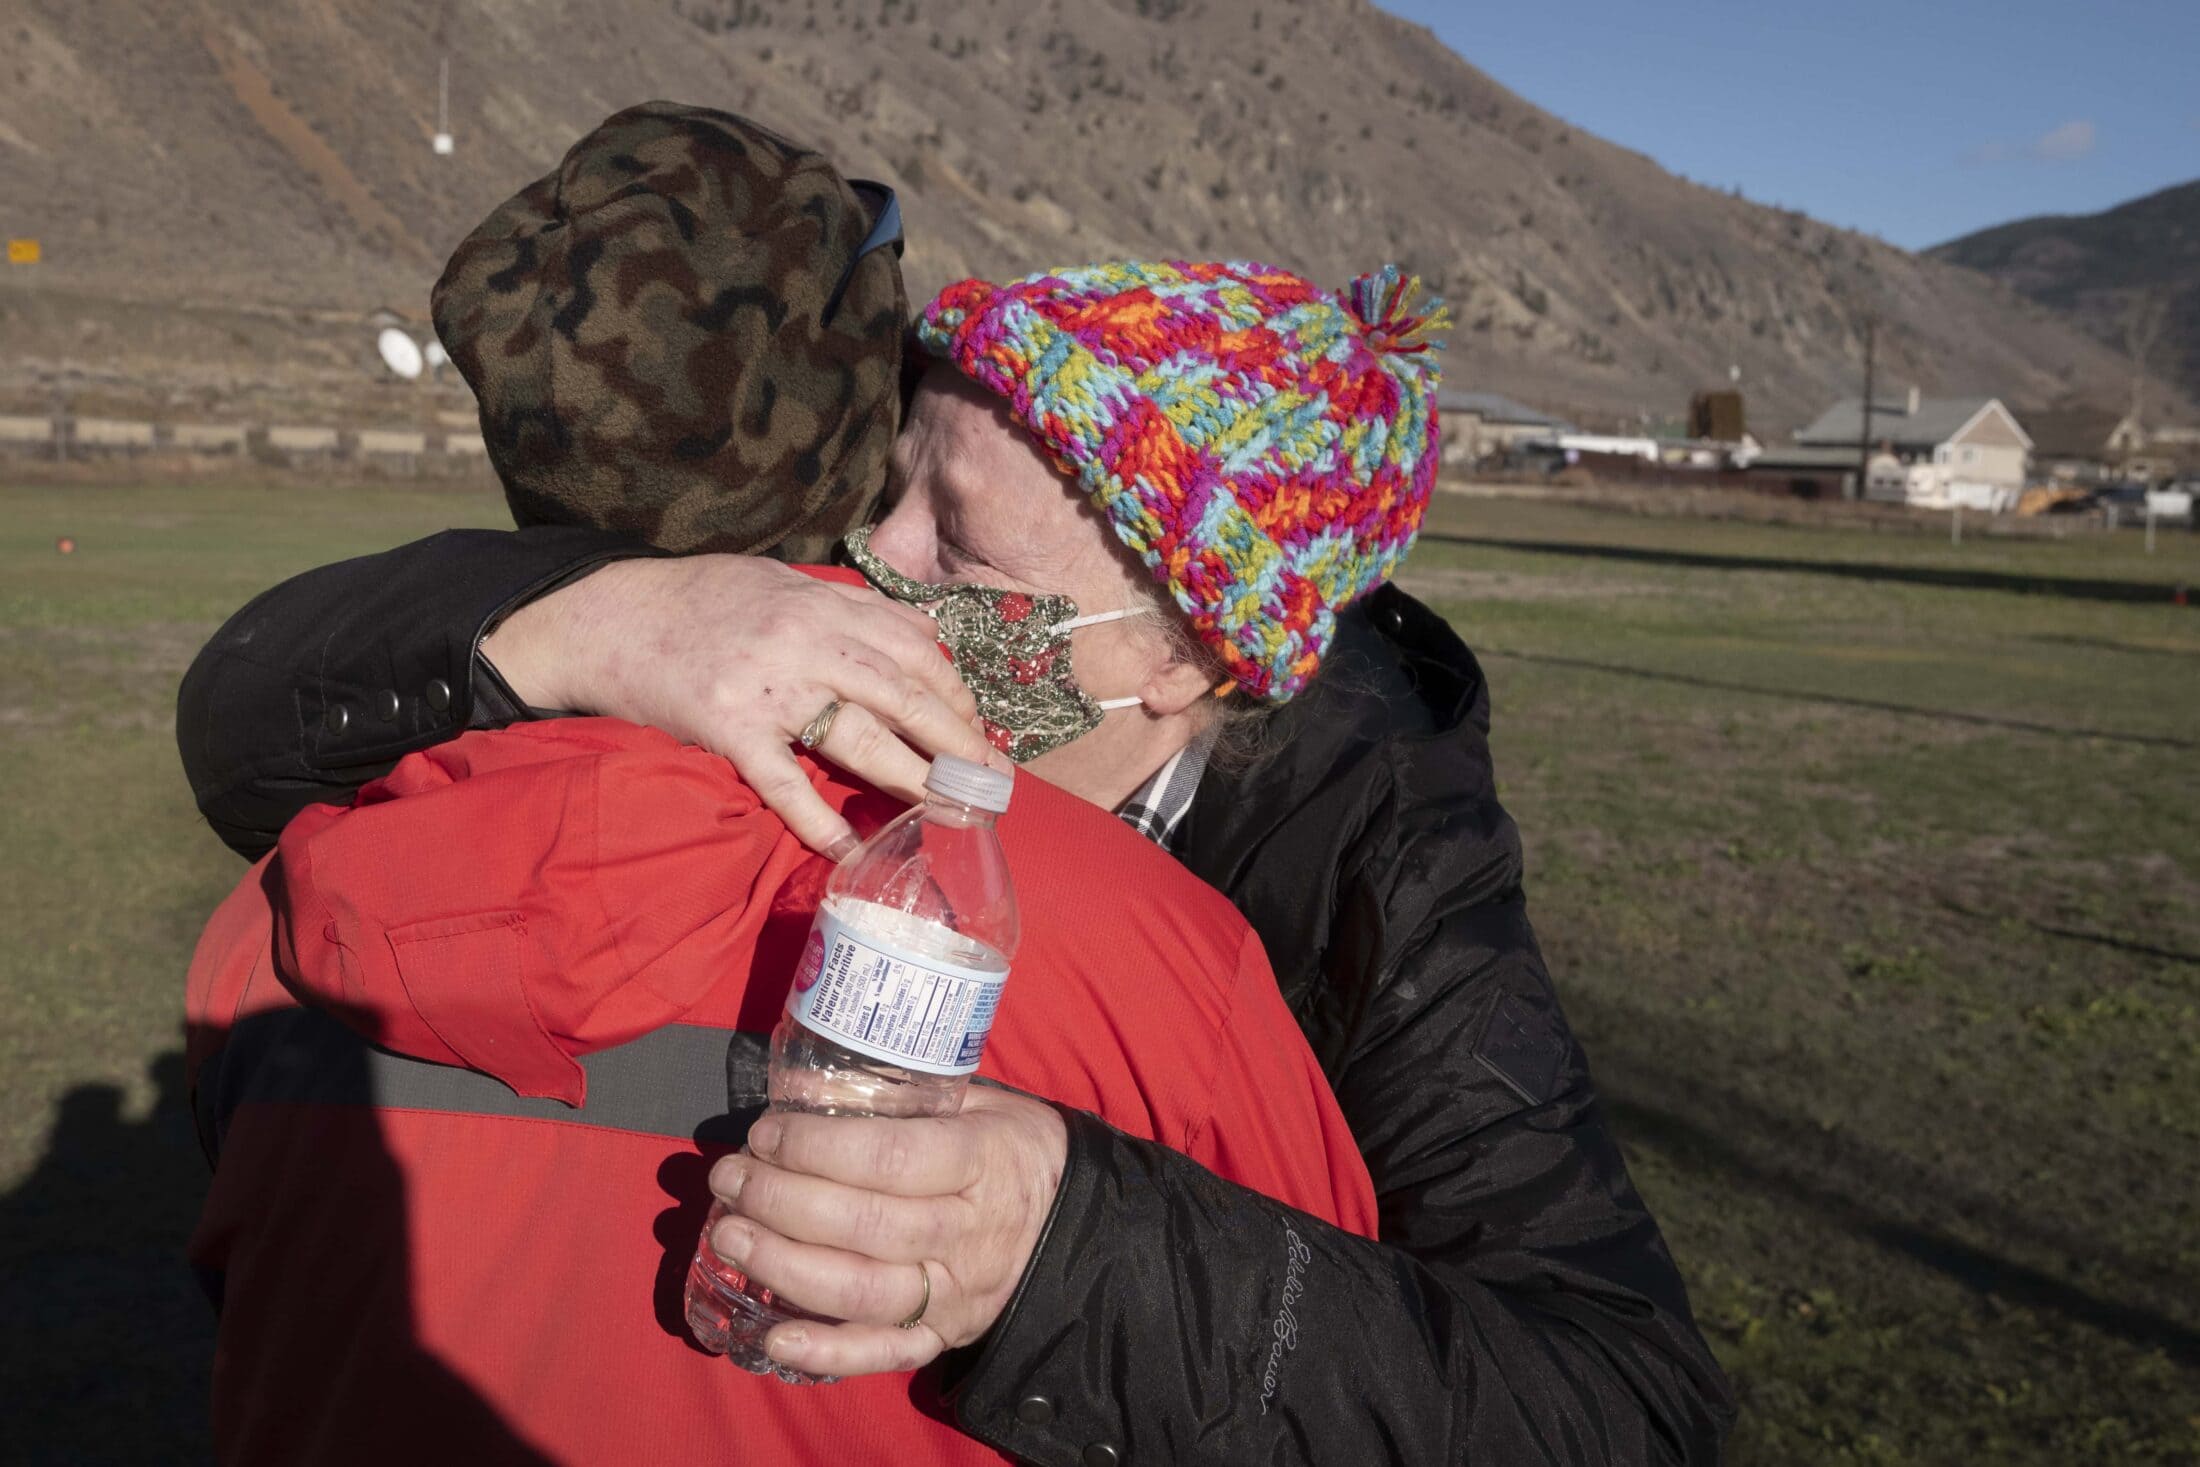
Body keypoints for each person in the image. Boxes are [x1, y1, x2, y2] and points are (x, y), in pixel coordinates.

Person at [177, 130, 1733, 1467]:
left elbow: (1617, 1402)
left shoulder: (1377, 874)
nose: (871, 564)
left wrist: (1066, 1244)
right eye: (886, 490)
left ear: (1191, 664)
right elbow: (256, 724)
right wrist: (586, 620)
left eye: (966, 553)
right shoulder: (769, 673)